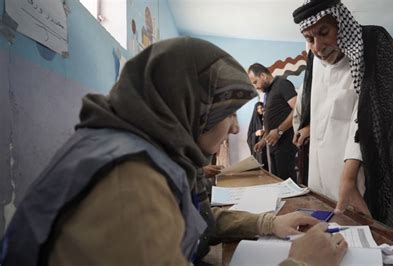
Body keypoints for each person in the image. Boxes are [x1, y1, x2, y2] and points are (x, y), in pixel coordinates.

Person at [0, 37, 348, 265]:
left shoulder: (149, 152)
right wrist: (300, 263)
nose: (236, 128)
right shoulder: (131, 181)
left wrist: (269, 222)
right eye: (227, 113)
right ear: (190, 106)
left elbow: (195, 218)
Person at [292, 0, 393, 253]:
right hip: (321, 175)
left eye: (324, 32)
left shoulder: (371, 45)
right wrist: (309, 124)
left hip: (359, 173)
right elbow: (316, 103)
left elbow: (370, 116)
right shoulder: (314, 61)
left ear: (341, 24)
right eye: (309, 39)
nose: (318, 47)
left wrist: (349, 177)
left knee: (371, 243)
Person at [248, 64, 298, 182]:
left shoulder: (282, 84)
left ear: (263, 76)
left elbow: (297, 109)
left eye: (255, 82)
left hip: (286, 145)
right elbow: (272, 123)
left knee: (287, 183)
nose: (256, 87)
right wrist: (263, 141)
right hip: (274, 146)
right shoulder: (268, 93)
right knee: (278, 181)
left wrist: (280, 131)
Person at [247, 102, 269, 170]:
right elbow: (249, 137)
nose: (260, 109)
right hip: (260, 149)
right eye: (258, 108)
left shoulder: (268, 118)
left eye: (261, 107)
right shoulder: (254, 121)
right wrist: (256, 134)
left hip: (269, 145)